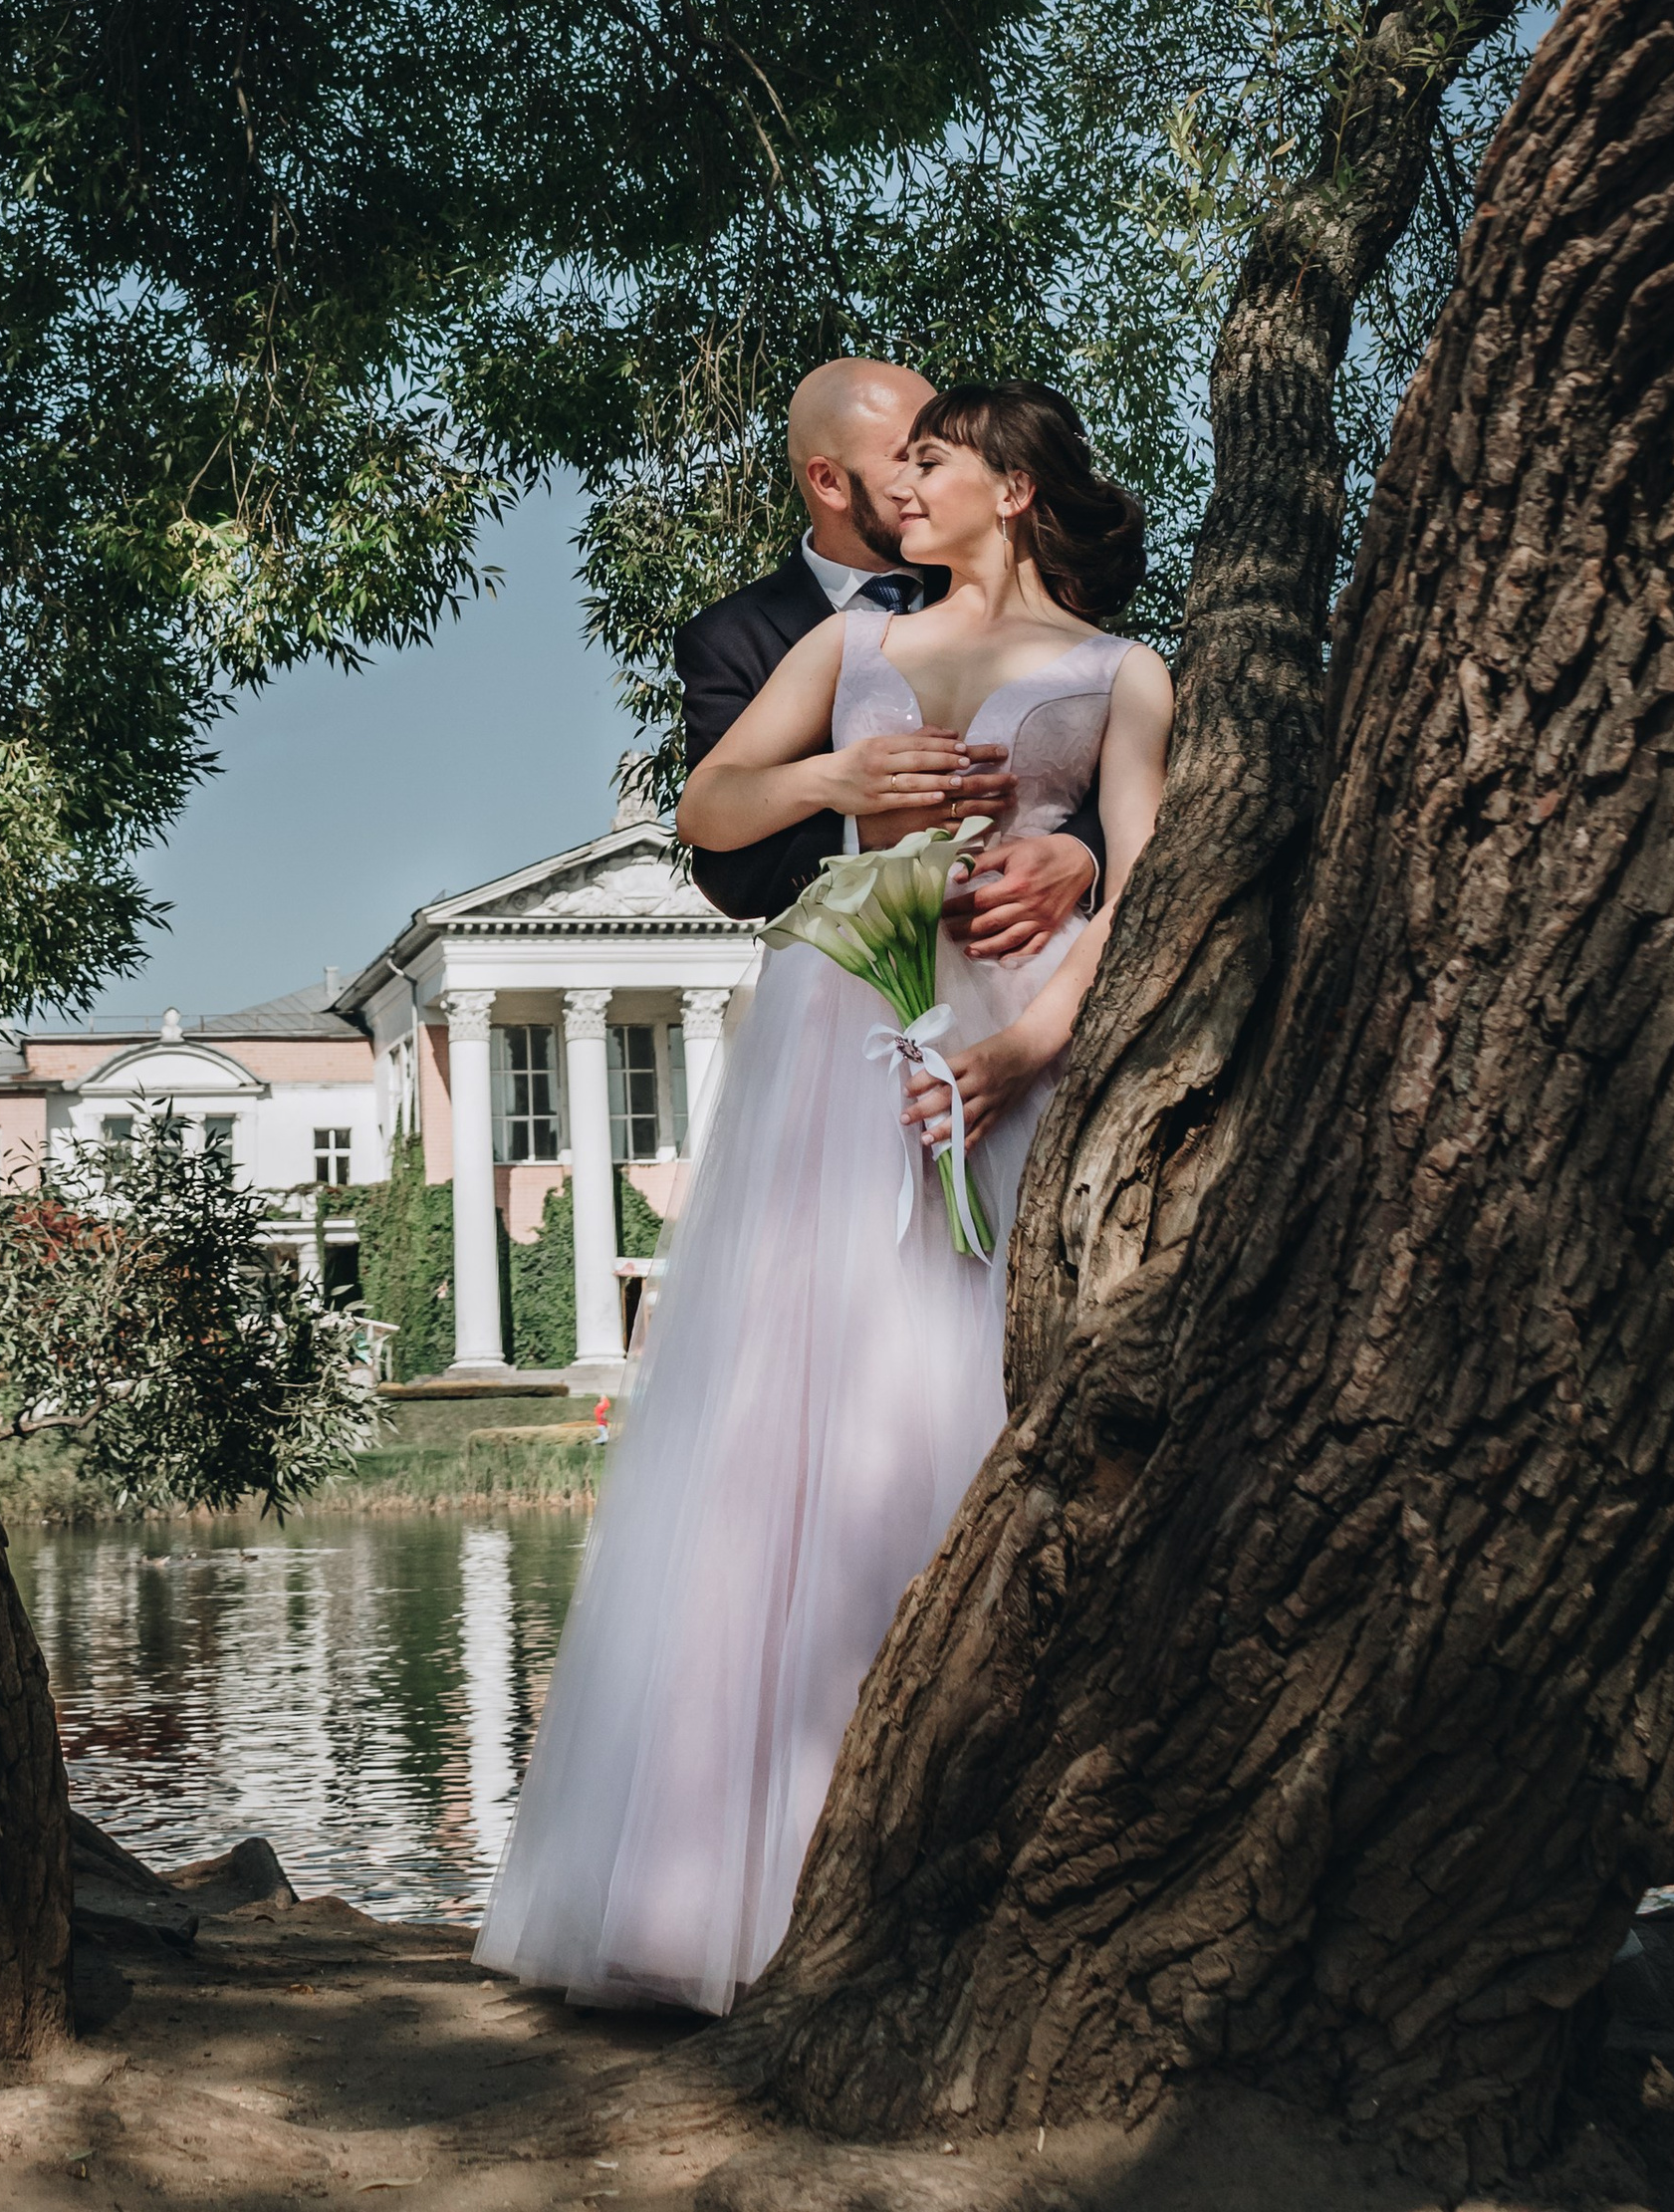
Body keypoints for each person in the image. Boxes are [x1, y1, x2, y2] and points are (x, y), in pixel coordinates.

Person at [475, 380, 1170, 2019]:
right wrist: (835, 779)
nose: (897, 489)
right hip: (832, 1042)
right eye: (893, 460)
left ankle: (968, 1867)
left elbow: (1154, 893)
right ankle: (739, 1888)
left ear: (1010, 486)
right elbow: (712, 808)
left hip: (1002, 1045)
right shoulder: (850, 644)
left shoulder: (1124, 674)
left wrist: (1030, 1050)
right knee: (787, 1425)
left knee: (964, 1412)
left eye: (929, 462)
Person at [673, 356, 1104, 958]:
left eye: (934, 460)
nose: (915, 483)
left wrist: (1080, 854)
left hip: (1030, 961)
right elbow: (730, 872)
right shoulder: (731, 638)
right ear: (828, 482)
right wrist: (858, 820)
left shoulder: (1024, 579)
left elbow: (1112, 758)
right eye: (908, 456)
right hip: (856, 984)